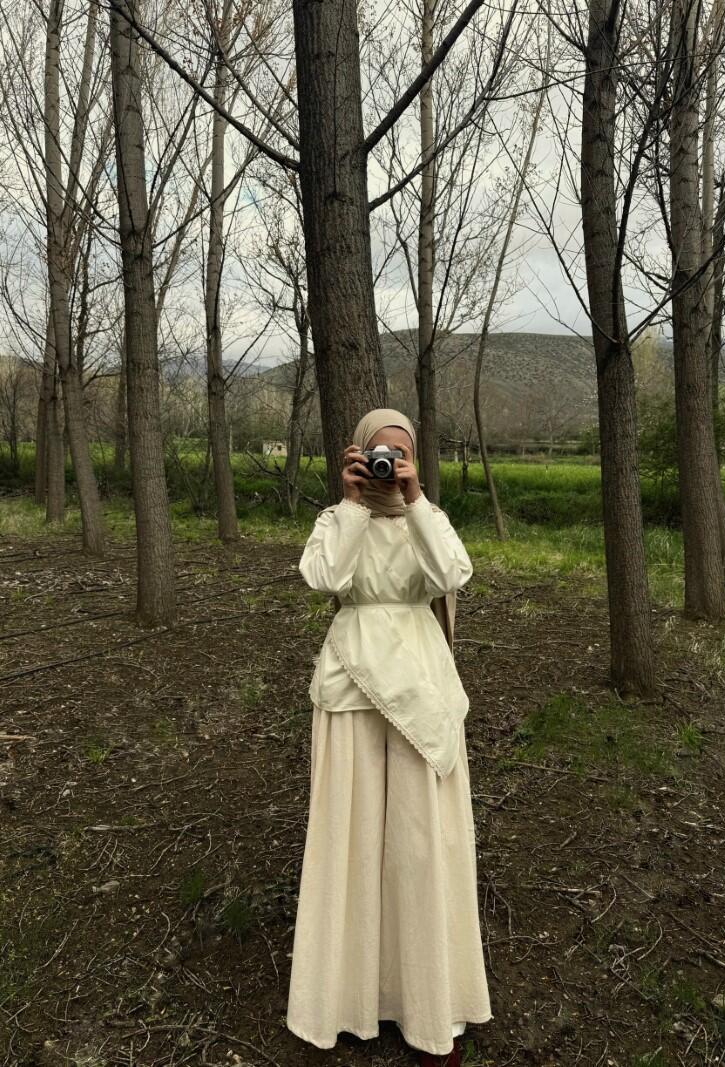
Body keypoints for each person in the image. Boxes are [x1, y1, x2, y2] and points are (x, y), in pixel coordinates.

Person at [286, 408, 492, 1066]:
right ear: (356, 455)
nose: (388, 463)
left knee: (419, 841)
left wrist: (416, 499)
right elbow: (324, 578)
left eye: (400, 454)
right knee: (349, 837)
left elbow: (452, 573)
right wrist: (352, 505)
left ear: (413, 460)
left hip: (420, 683)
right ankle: (346, 998)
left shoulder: (428, 517)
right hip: (351, 682)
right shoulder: (335, 518)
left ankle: (430, 1005)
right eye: (378, 452)